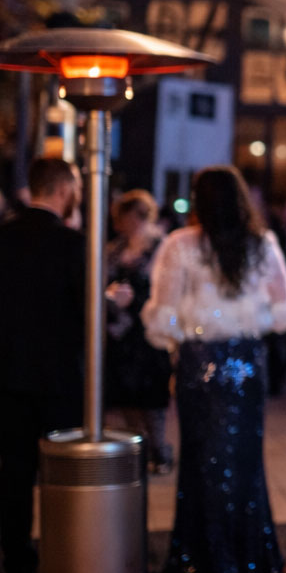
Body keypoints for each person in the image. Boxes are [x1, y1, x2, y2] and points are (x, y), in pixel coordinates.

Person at [142, 166, 286, 573]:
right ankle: (250, 556)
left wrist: (177, 335)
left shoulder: (180, 245)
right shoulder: (261, 244)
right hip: (247, 360)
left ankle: (202, 559)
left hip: (199, 362)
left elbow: (164, 312)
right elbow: (282, 308)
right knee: (244, 460)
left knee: (201, 460)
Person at [0, 158, 85, 573]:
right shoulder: (71, 243)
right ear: (62, 189)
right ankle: (63, 553)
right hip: (58, 372)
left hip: (9, 369)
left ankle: (17, 562)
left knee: (15, 469)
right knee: (61, 469)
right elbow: (79, 313)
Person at [104, 190, 173, 472]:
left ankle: (159, 451)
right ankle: (138, 451)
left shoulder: (161, 246)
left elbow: (168, 290)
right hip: (121, 332)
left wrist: (139, 298)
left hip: (148, 330)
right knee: (126, 395)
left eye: (125, 216)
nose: (121, 223)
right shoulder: (116, 248)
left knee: (151, 395)